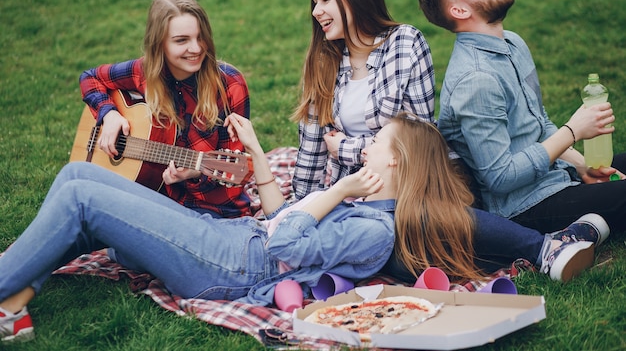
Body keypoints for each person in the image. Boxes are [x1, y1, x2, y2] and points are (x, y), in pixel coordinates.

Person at [0, 112, 607, 343]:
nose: (366, 150)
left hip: (224, 267)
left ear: (396, 162)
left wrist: (336, 191)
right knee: (80, 175)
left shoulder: (375, 232)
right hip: (228, 241)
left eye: (377, 145)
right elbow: (278, 223)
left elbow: (284, 241)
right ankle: (16, 303)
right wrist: (276, 166)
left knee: (81, 194)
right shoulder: (367, 214)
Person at [416, 0, 626, 233]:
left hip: (556, 174)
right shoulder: (476, 81)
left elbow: (538, 123)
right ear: (460, 10)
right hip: (524, 207)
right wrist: (573, 131)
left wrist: (581, 165)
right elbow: (501, 177)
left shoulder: (512, 43)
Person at [79, 0, 251, 219]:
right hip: (157, 198)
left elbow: (237, 168)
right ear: (159, 44)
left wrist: (195, 172)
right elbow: (90, 77)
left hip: (215, 211)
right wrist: (109, 115)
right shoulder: (145, 73)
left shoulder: (229, 85)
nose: (197, 48)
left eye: (200, 37)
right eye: (182, 40)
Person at [291, 0, 437, 200]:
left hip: (405, 193)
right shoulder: (323, 60)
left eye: (326, 0)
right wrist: (298, 210)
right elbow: (312, 146)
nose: (316, 11)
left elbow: (419, 140)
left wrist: (346, 149)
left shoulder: (404, 43)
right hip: (346, 194)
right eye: (315, 2)